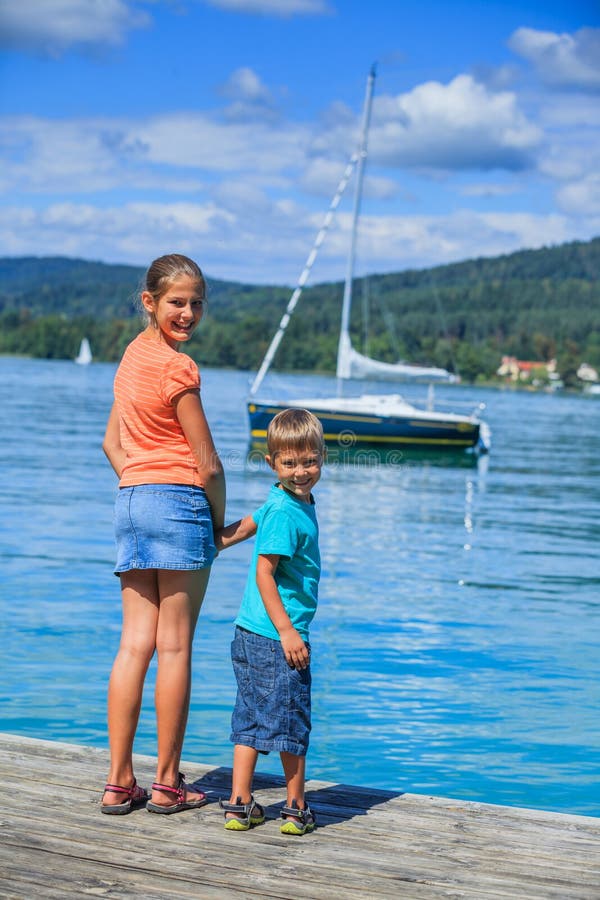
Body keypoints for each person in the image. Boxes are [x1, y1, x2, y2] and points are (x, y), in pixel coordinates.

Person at [101, 253, 225, 815]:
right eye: (178, 302)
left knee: (133, 646)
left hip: (131, 501)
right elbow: (208, 464)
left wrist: (139, 485)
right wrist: (218, 526)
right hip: (178, 504)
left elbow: (113, 445)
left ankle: (118, 780)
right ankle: (168, 783)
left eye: (197, 303)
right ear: (150, 301)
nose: (189, 313)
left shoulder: (130, 358)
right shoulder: (179, 368)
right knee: (173, 646)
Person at [216, 408, 324, 835]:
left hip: (249, 632)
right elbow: (264, 573)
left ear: (322, 456)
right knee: (292, 719)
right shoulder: (285, 511)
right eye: (290, 464)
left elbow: (248, 524)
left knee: (251, 714)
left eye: (309, 461)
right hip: (277, 635)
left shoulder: (283, 501)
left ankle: (239, 803)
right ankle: (296, 807)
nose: (301, 472)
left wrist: (216, 542)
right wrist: (287, 631)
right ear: (272, 464)